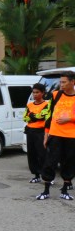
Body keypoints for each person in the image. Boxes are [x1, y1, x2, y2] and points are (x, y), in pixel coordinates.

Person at [36, 72, 75, 200]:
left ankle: (65, 190)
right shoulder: (55, 95)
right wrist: (46, 135)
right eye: (61, 82)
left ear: (72, 82)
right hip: (55, 134)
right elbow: (49, 116)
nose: (61, 84)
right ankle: (46, 191)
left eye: (64, 82)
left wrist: (69, 118)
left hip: (71, 136)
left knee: (69, 163)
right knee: (50, 162)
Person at [23, 83, 49, 183]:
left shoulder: (46, 105)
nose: (35, 94)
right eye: (33, 92)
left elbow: (44, 116)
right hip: (30, 132)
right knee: (32, 154)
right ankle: (36, 175)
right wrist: (34, 117)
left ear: (43, 93)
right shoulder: (29, 105)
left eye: (37, 92)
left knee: (42, 154)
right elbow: (25, 117)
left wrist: (33, 117)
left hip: (41, 132)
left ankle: (47, 176)